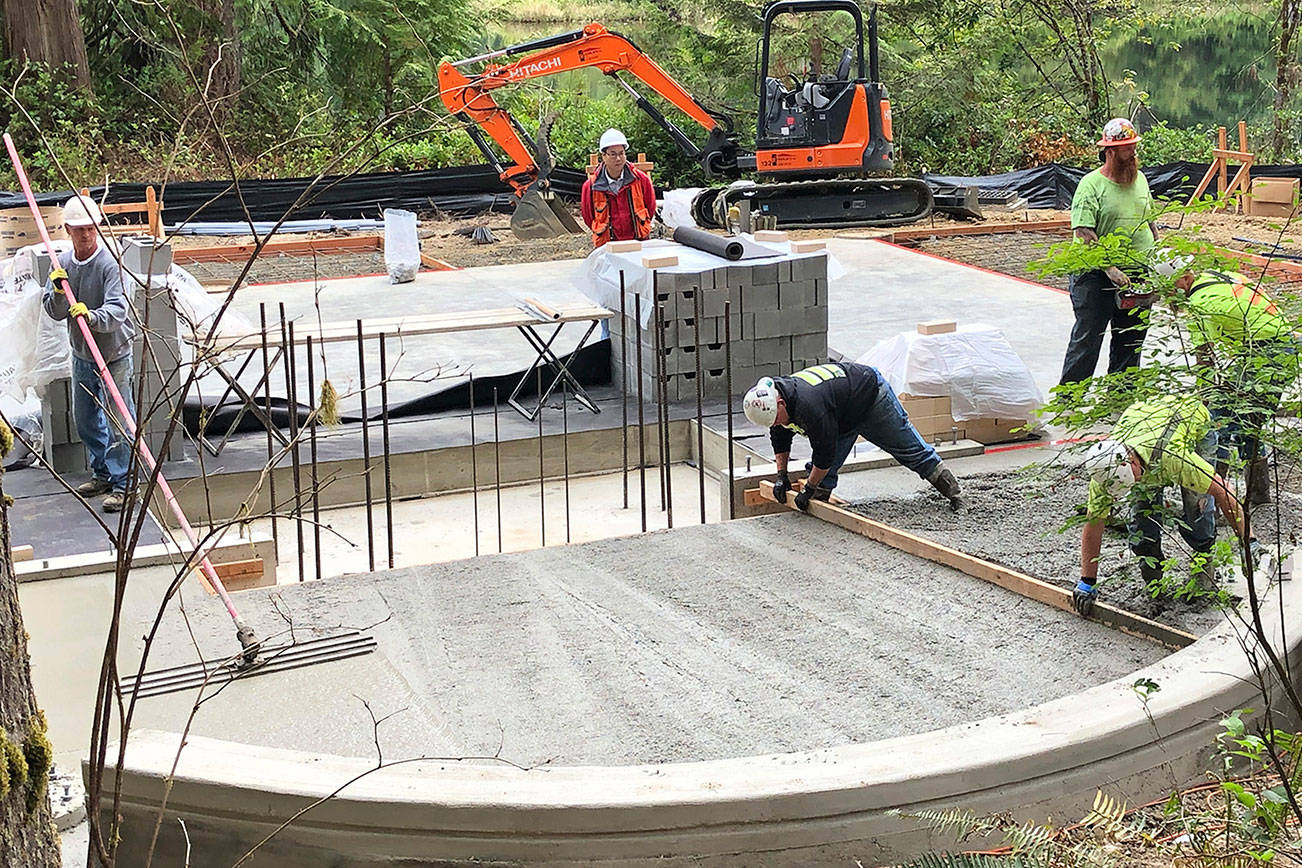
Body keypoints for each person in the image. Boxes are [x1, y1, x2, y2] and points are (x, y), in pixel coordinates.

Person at [1073, 394, 1260, 616]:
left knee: (1197, 507)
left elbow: (1224, 490)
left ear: (1131, 462)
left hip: (1194, 429)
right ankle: (1153, 583)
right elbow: (1094, 524)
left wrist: (1248, 541)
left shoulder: (1175, 459)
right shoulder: (1105, 470)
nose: (1133, 485)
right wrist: (1087, 581)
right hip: (1147, 433)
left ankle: (1203, 565)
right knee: (1142, 517)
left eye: (1133, 480)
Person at [741, 362, 964, 512]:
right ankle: (820, 502)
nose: (777, 423)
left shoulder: (809, 407)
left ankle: (954, 493)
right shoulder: (777, 401)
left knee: (910, 451)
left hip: (871, 398)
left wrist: (807, 488)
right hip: (841, 411)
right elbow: (779, 436)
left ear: (780, 403)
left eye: (776, 418)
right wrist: (781, 476)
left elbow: (824, 455)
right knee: (820, 475)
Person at [1170, 265, 1300, 504]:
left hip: (1267, 353)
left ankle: (1213, 503)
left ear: (1187, 278)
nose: (1169, 296)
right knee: (1248, 421)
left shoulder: (1199, 303)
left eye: (1171, 288)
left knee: (1218, 423)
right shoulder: (1216, 276)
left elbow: (1205, 361)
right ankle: (1258, 496)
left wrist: (1205, 401)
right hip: (1283, 348)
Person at [42, 196, 136, 513]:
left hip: (114, 352)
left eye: (91, 228)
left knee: (120, 420)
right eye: (80, 229)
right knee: (84, 419)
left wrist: (93, 316)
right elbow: (54, 312)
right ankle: (104, 473)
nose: (86, 235)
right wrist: (57, 293)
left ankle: (125, 484)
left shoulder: (110, 264)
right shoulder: (63, 266)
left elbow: (119, 309)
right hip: (82, 353)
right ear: (68, 229)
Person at [1059, 117, 1161, 385]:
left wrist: (1159, 256)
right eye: (1127, 148)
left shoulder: (1140, 181)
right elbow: (1084, 233)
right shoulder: (1091, 185)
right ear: (1110, 151)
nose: (1133, 153)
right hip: (1094, 274)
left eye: (1134, 147)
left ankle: (1120, 397)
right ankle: (1070, 399)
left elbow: (1150, 221)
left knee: (1131, 337)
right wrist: (1109, 268)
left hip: (1137, 273)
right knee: (1088, 337)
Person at [580, 128, 655, 248]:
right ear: (603, 156)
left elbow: (650, 208)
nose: (618, 158)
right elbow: (588, 217)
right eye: (613, 154)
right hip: (607, 247)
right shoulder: (590, 186)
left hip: (638, 244)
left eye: (621, 153)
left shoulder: (641, 180)